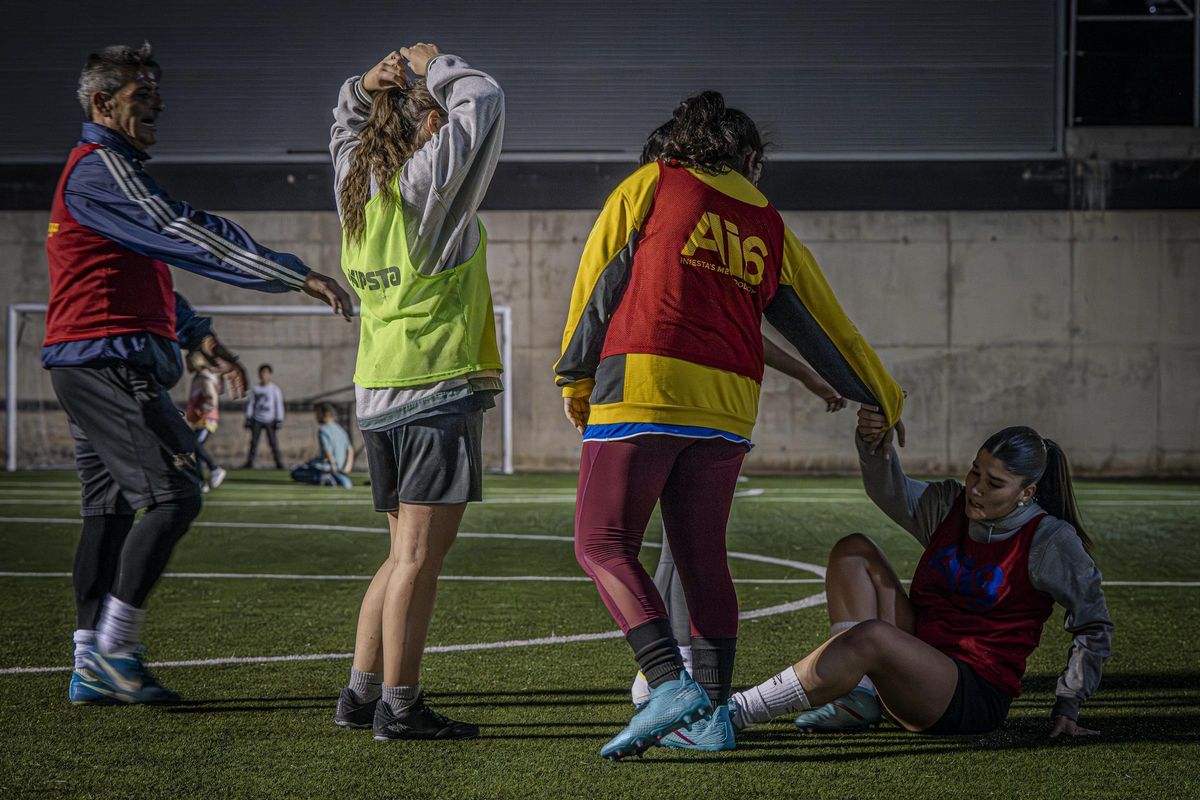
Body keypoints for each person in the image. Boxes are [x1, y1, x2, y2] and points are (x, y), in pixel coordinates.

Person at [555, 91, 904, 759]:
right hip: (730, 403)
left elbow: (594, 285)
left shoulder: (651, 184)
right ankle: (711, 716)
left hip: (642, 389)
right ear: (747, 157)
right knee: (701, 556)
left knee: (600, 543)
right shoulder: (767, 221)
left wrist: (574, 379)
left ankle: (666, 682)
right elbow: (827, 324)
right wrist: (882, 395)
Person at [47, 42, 352, 705]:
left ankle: (87, 661)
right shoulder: (102, 169)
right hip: (107, 366)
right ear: (102, 103)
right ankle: (113, 652)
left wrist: (196, 336)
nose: (158, 101)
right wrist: (292, 273)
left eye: (157, 87)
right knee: (177, 492)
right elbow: (181, 230)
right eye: (141, 91)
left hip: (92, 363)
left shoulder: (109, 175)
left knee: (106, 514)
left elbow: (137, 271)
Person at [723, 407, 1112, 742]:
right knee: (853, 551)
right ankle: (860, 698)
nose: (975, 489)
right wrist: (874, 441)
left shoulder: (1050, 540)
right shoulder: (950, 505)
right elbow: (889, 490)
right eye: (974, 472)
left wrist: (1069, 703)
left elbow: (1094, 625)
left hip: (969, 692)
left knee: (872, 638)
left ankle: (731, 714)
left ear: (1027, 493)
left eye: (994, 484)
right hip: (917, 659)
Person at [629, 118, 847, 708]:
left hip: (682, 398)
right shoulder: (691, 212)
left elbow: (749, 326)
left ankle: (674, 675)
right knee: (623, 543)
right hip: (681, 398)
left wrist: (810, 373)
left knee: (679, 544)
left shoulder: (703, 219)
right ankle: (669, 673)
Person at [329, 43, 504, 742]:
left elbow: (343, 128)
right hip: (432, 393)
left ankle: (360, 694)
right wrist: (440, 66)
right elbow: (483, 98)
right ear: (427, 124)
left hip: (378, 395)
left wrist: (362, 82)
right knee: (416, 564)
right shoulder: (424, 189)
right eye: (437, 116)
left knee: (399, 556)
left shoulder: (357, 190)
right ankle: (400, 708)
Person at [185, 349, 226, 492]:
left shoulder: (204, 377)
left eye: (189, 361)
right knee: (196, 448)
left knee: (194, 444)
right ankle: (201, 483)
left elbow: (211, 398)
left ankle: (215, 469)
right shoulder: (197, 377)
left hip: (206, 419)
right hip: (198, 420)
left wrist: (202, 410)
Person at [291, 403, 355, 488]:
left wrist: (333, 466)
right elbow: (350, 450)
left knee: (296, 473)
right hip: (340, 468)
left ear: (326, 414)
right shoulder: (341, 430)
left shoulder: (323, 430)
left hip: (329, 468)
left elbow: (327, 450)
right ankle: (334, 478)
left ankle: (323, 478)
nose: (316, 417)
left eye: (318, 413)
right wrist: (347, 468)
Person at [242, 364, 286, 469]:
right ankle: (249, 463)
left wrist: (279, 419)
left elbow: (278, 404)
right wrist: (248, 417)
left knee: (273, 443)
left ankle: (279, 463)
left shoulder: (274, 389)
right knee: (253, 442)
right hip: (257, 418)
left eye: (266, 373)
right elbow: (251, 404)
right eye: (262, 373)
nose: (264, 375)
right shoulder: (256, 389)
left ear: (270, 375)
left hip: (270, 419)